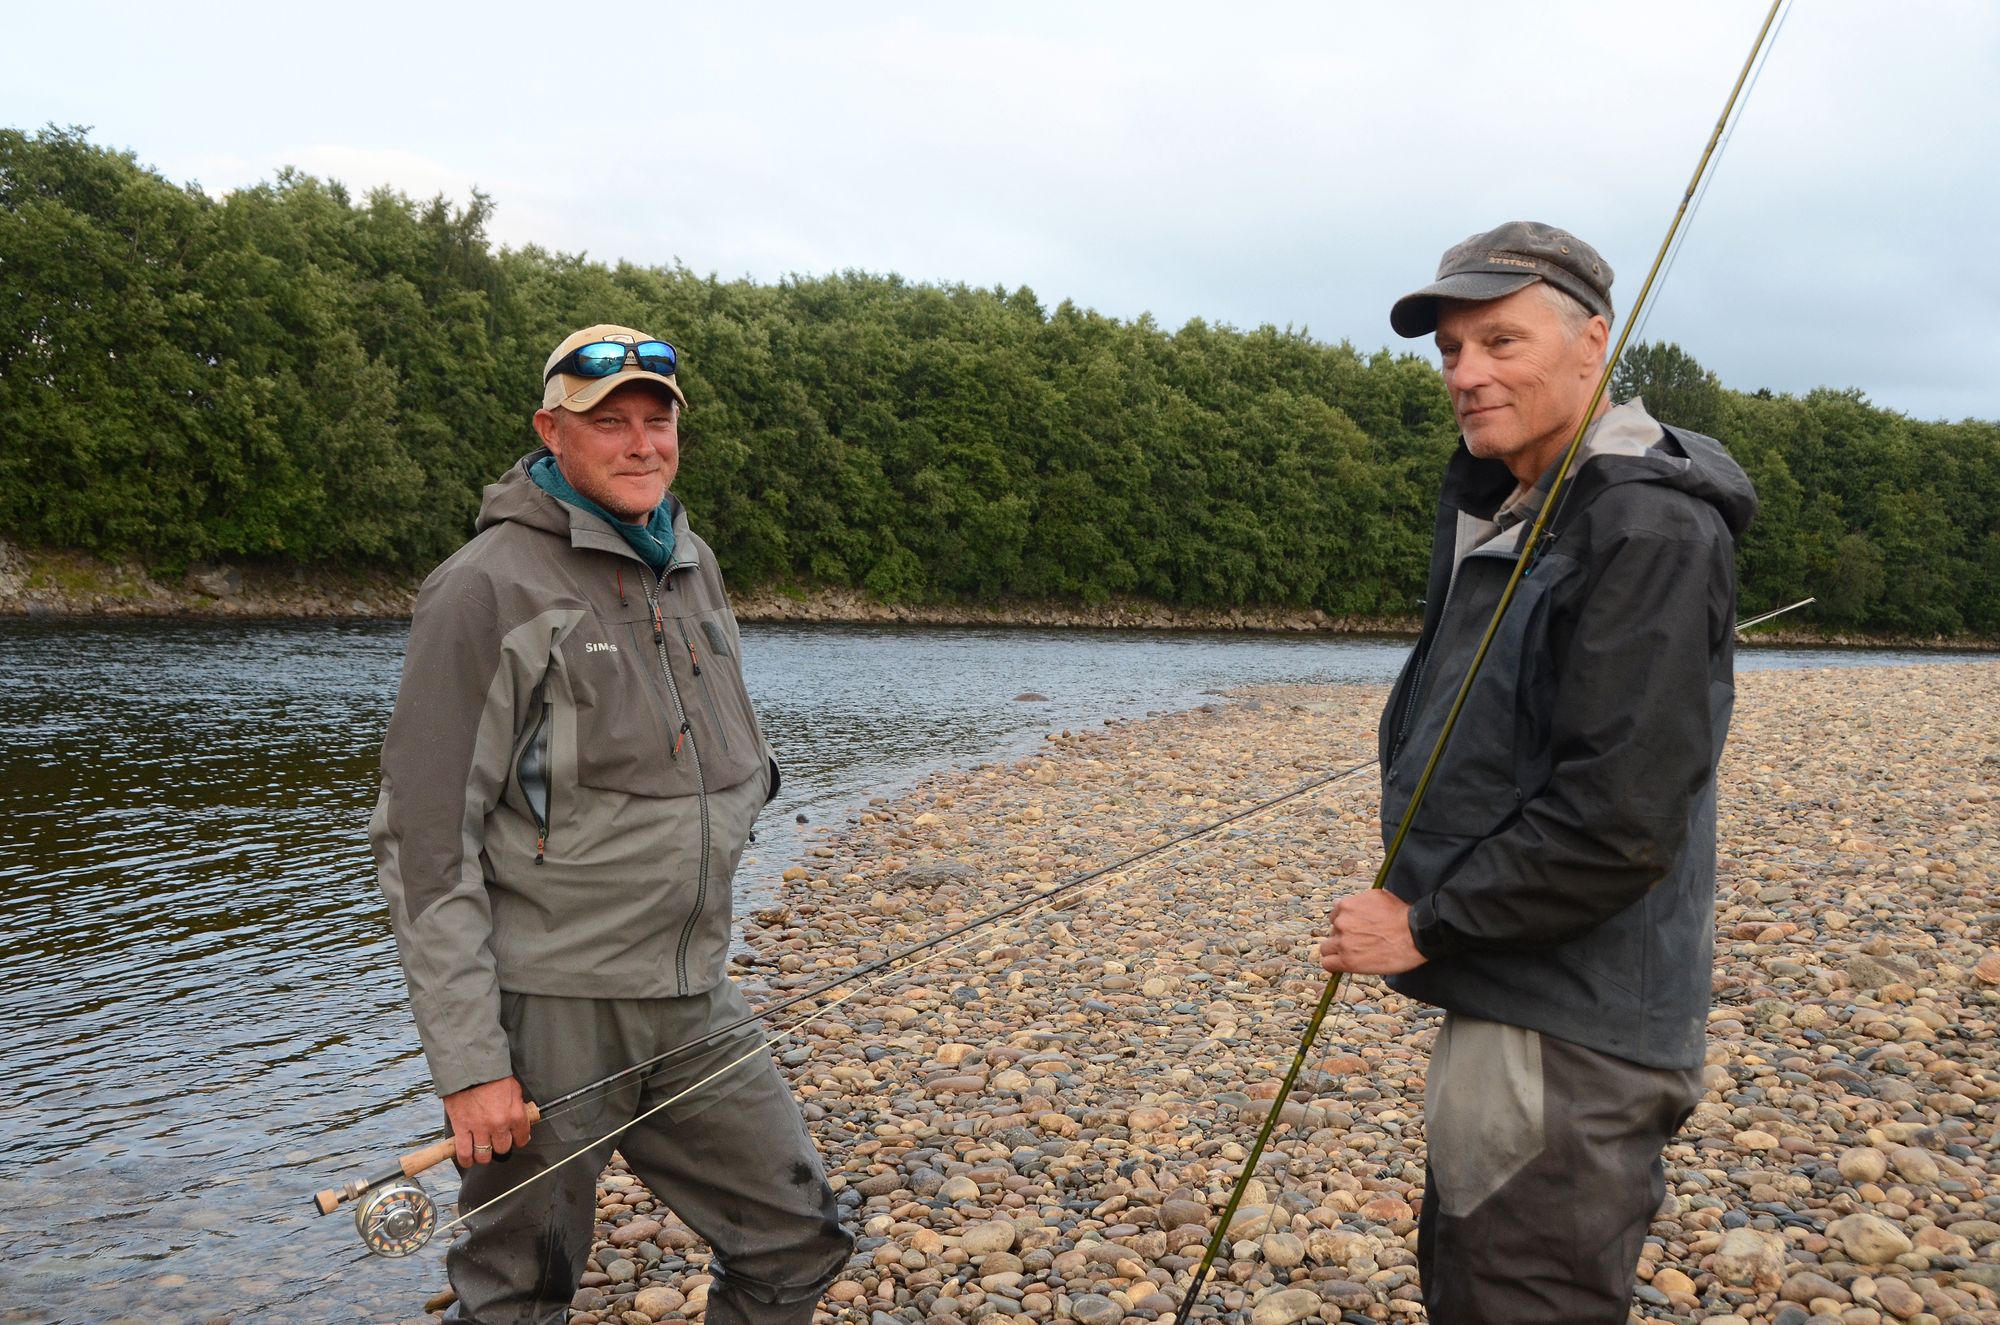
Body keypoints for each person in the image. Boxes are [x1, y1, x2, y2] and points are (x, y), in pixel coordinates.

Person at [1317, 222, 1757, 1323]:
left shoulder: (1641, 524)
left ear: (1589, 341)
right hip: (1518, 997)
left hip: (1573, 1031)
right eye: (1451, 351)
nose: (1466, 375)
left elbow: (1614, 819)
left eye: (1500, 341)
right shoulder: (1521, 499)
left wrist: (1420, 926)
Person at [371, 325, 852, 1324]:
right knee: (519, 1293)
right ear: (552, 431)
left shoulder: (691, 560)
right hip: (552, 1011)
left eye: (656, 420)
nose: (640, 444)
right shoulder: (483, 587)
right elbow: (424, 846)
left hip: (691, 995)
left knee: (795, 1240)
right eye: (610, 423)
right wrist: (471, 1068)